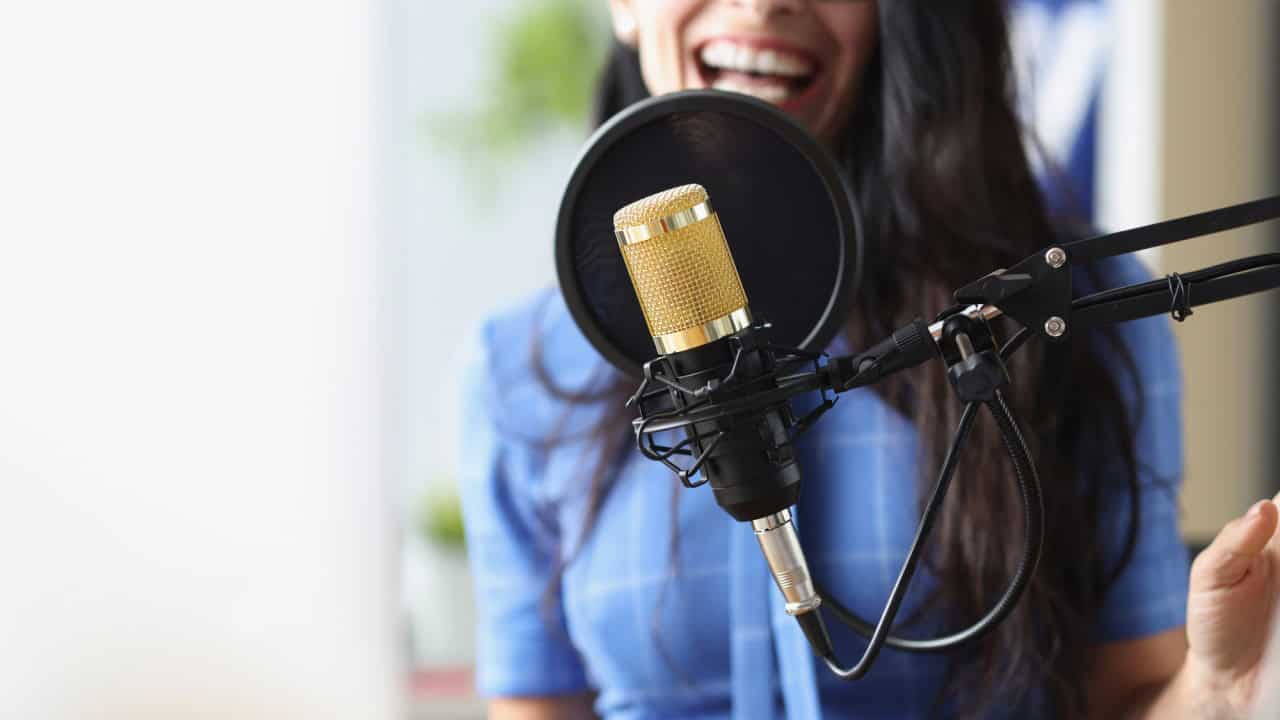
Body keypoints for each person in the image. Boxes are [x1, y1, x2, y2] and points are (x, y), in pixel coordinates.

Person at [458, 2, 1280, 718]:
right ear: (625, 3)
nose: (765, 2)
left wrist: (1223, 687)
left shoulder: (1071, 314)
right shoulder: (522, 366)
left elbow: (1132, 700)